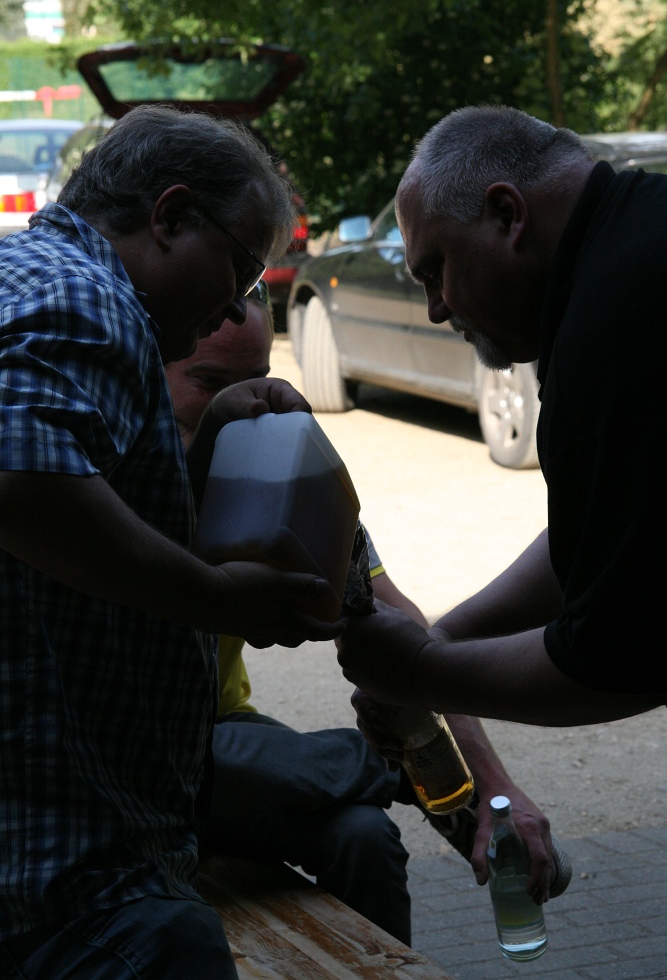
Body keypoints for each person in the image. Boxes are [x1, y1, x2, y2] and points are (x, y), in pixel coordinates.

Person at [0, 104, 344, 979]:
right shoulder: (91, 299)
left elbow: (72, 531)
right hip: (66, 878)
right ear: (171, 216)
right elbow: (18, 479)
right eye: (238, 266)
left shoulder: (24, 274)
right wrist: (215, 598)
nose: (233, 304)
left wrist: (205, 444)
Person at [164, 282, 570, 946]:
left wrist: (497, 793)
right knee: (301, 764)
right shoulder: (130, 471)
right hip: (137, 752)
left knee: (363, 834)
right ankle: (390, 770)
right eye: (210, 382)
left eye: (258, 379)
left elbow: (403, 632)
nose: (244, 405)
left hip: (228, 741)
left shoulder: (278, 474)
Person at [336, 106, 666, 751]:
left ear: (508, 215)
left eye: (435, 270)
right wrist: (446, 635)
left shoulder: (614, 326)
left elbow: (619, 656)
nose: (435, 309)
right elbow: (611, 532)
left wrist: (419, 672)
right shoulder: (632, 232)